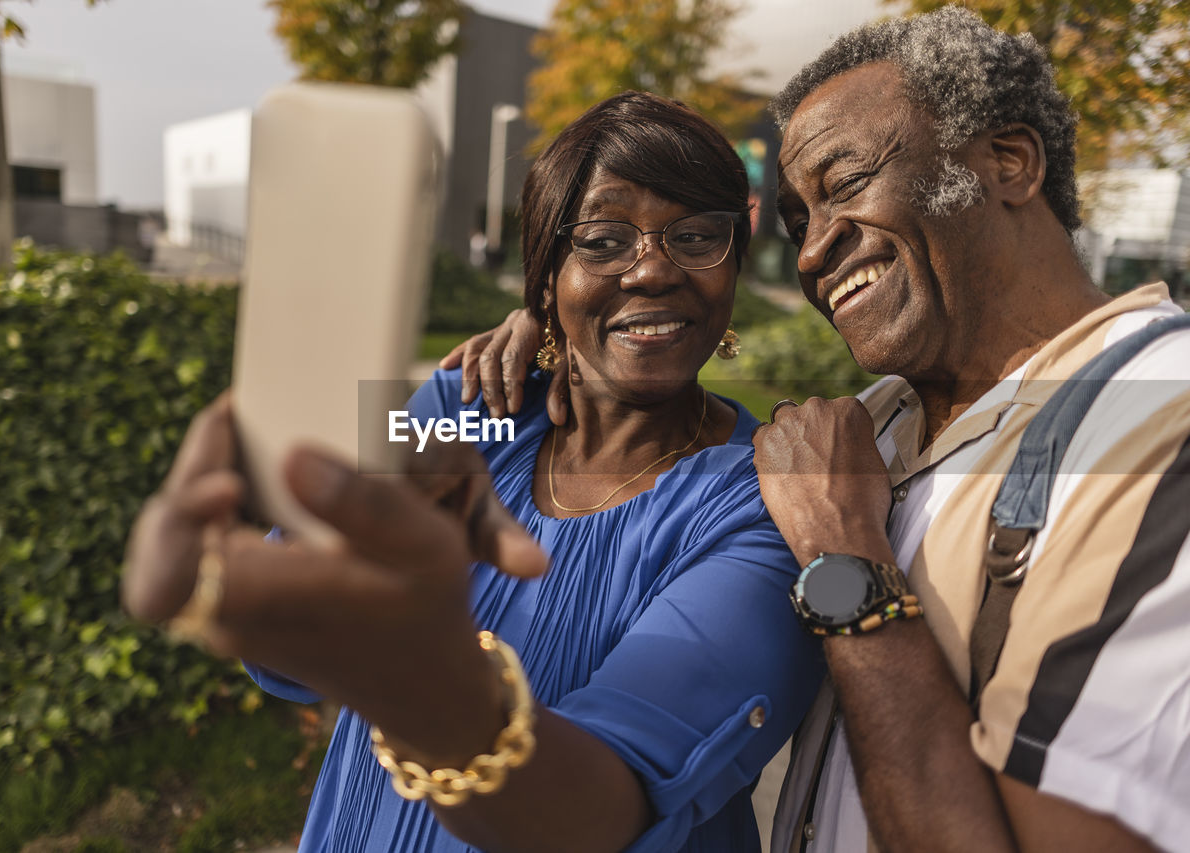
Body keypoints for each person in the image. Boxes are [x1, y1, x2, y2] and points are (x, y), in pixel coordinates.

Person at [458, 10, 1190, 851]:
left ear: (1009, 162)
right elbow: (285, 631)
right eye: (798, 220)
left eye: (845, 184)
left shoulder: (1154, 425)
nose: (810, 255)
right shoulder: (868, 430)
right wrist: (492, 378)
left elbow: (619, 770)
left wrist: (846, 565)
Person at [123, 91, 823, 853]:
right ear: (544, 276)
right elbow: (286, 664)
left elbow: (592, 816)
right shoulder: (469, 410)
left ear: (733, 267)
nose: (652, 268)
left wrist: (415, 663)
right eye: (600, 239)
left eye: (695, 236)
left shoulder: (766, 504)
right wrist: (244, 574)